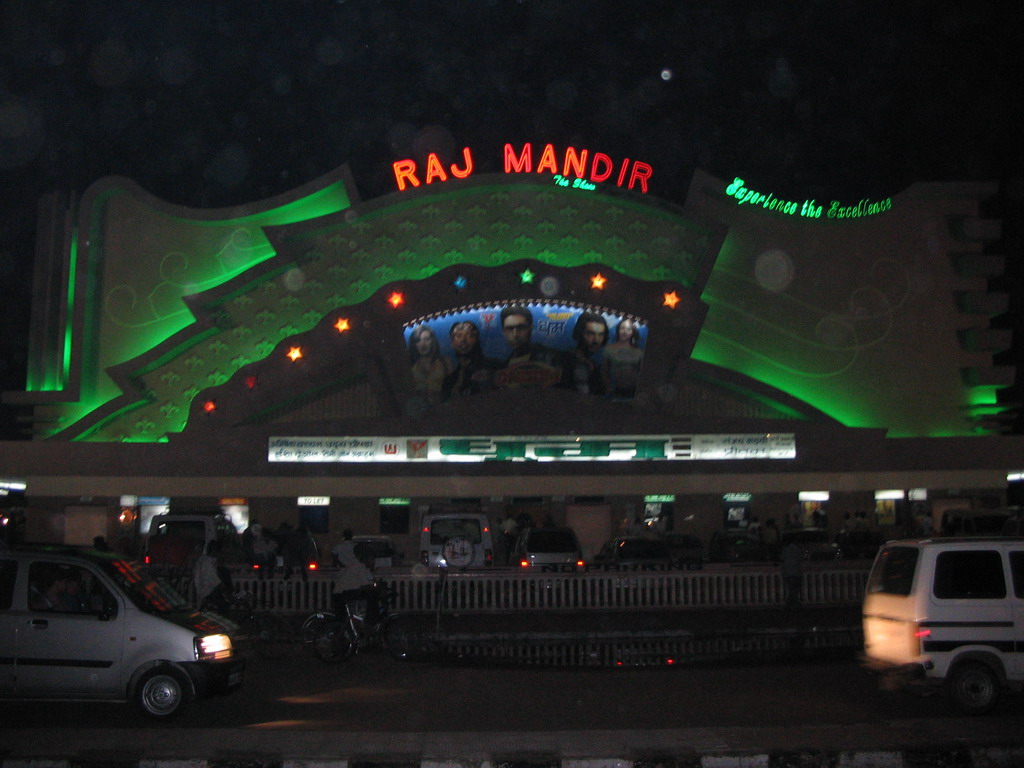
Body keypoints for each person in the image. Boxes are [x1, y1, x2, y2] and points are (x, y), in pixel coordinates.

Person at [494, 305, 570, 389]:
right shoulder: (503, 364)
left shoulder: (552, 357)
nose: (515, 334)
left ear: (531, 328)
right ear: (503, 332)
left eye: (521, 328)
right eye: (510, 329)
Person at [442, 320, 502, 398]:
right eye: (458, 336)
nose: (463, 340)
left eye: (469, 335)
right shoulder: (450, 380)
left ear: (477, 339)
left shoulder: (494, 367)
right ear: (452, 343)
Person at [330, 543, 381, 627]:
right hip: (342, 595)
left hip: (340, 594)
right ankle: (369, 622)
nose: (373, 561)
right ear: (366, 558)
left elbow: (370, 579)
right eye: (372, 559)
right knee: (372, 596)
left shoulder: (356, 565)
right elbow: (366, 585)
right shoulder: (359, 566)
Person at [408, 324, 452, 404]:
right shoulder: (410, 368)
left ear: (433, 341)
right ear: (414, 344)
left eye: (427, 339)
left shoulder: (445, 362)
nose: (423, 344)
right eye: (418, 340)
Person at [602, 318, 644, 399]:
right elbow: (604, 372)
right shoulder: (609, 349)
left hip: (633, 392)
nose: (625, 332)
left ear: (632, 332)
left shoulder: (639, 352)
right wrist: (609, 388)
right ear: (618, 330)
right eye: (622, 328)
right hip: (616, 392)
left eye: (628, 329)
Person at [568, 311, 608, 395]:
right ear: (580, 333)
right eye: (590, 334)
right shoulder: (569, 359)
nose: (596, 340)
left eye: (600, 334)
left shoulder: (591, 363)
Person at [193, 539, 230, 610]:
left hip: (204, 590)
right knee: (224, 607)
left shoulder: (203, 559)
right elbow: (215, 580)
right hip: (208, 591)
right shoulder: (207, 563)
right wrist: (226, 592)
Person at [780, 538, 804, 608]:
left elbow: (782, 558)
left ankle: (791, 602)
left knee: (791, 588)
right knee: (795, 588)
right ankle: (793, 602)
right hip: (796, 571)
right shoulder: (797, 550)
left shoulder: (785, 550)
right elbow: (801, 558)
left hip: (788, 571)